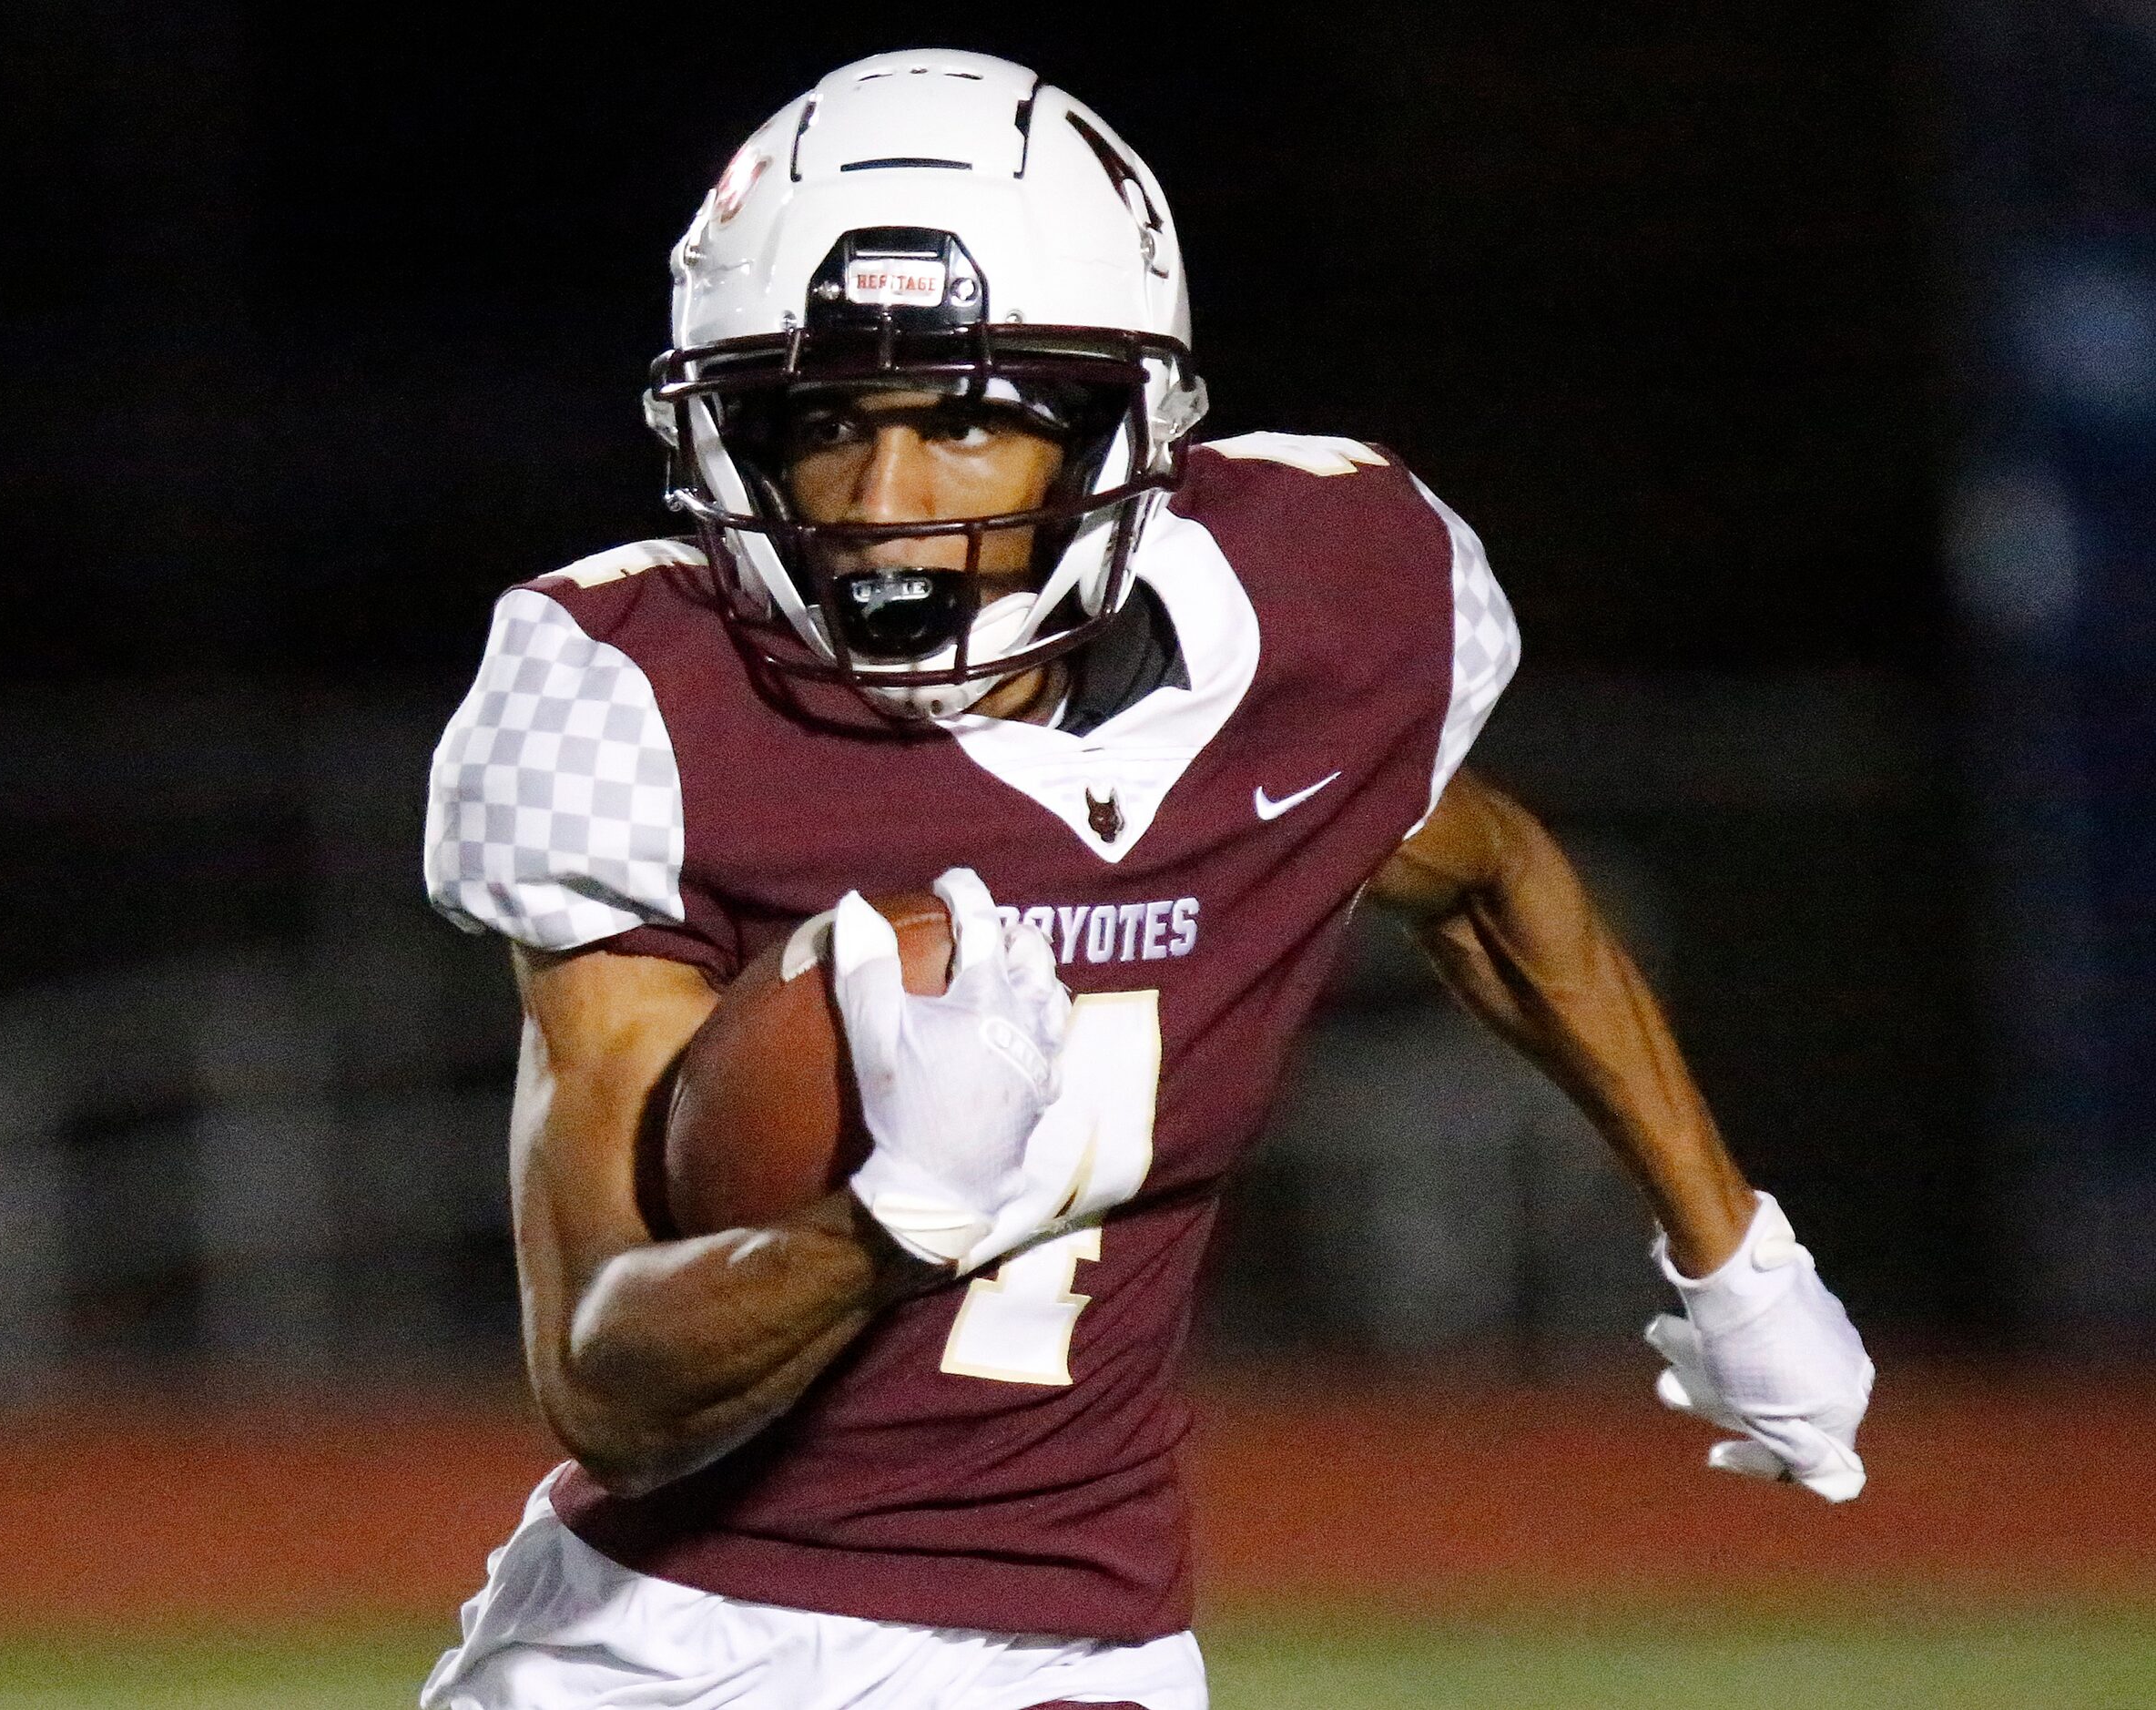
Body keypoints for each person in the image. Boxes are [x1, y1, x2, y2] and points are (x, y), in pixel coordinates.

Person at [417, 48, 1875, 1710]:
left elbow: (1484, 880)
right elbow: (605, 1378)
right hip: (664, 1643)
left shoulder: (1319, 622)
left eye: (967, 420)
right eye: (824, 424)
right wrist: (882, 1226)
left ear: (1122, 424)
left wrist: (1734, 1248)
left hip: (1080, 1648)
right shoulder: (639, 701)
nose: (889, 504)